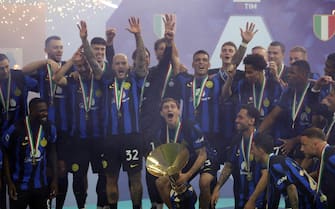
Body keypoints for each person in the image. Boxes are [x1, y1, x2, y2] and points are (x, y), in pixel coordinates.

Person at [102, 17, 147, 209]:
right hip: (110, 138)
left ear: (128, 66)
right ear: (112, 67)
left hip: (132, 137)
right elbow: (99, 62)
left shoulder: (135, 80)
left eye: (124, 63)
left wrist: (138, 35)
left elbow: (142, 60)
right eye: (117, 63)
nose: (120, 66)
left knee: (135, 177)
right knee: (110, 177)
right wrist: (109, 43)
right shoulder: (105, 82)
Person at [155, 98, 217, 209]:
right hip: (184, 160)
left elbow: (202, 154)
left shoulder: (190, 126)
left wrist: (187, 176)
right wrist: (175, 177)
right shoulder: (161, 133)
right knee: (161, 183)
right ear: (161, 113)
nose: (169, 109)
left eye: (173, 106)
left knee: (204, 182)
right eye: (166, 107)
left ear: (178, 111)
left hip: (204, 156)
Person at [2, 98, 57, 209]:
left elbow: (52, 153)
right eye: (41, 111)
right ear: (31, 111)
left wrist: (54, 180)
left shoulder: (49, 128)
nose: (45, 114)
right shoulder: (15, 129)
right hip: (19, 185)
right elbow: (6, 155)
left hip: (41, 185)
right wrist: (9, 182)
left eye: (46, 110)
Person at [258, 60, 319, 160]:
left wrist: (294, 141)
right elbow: (272, 116)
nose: (288, 75)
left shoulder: (314, 92)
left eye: (292, 73)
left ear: (303, 75)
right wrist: (257, 134)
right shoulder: (289, 91)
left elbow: (316, 127)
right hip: (288, 143)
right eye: (289, 72)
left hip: (309, 146)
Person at [211, 105, 267, 209]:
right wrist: (217, 188)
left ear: (251, 121)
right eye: (237, 117)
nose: (236, 120)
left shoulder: (263, 140)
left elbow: (266, 174)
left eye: (240, 117)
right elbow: (229, 166)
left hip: (259, 200)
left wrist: (252, 200)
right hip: (240, 198)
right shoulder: (236, 140)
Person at [0, 53, 37, 209]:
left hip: (19, 135)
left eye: (7, 67)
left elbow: (42, 84)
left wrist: (47, 61)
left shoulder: (20, 79)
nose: (5, 71)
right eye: (1, 69)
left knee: (18, 173)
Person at [252, 133, 328, 209]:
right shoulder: (278, 161)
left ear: (261, 150)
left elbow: (291, 188)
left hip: (311, 205)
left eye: (253, 149)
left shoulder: (275, 164)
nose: (251, 152)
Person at [300, 127, 335, 209]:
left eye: (304, 145)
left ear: (315, 144)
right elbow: (321, 173)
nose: (301, 149)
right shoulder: (324, 157)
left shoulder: (331, 157)